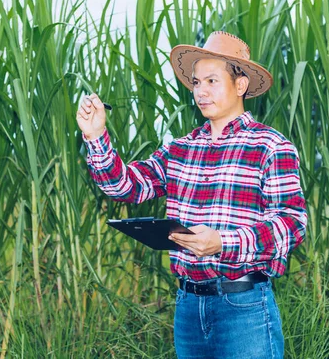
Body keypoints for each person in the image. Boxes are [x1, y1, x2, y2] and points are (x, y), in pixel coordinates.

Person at [76, 31, 307, 359]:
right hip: (188, 308)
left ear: (240, 86)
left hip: (244, 308)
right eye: (197, 83)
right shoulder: (180, 148)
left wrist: (223, 243)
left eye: (212, 81)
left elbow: (291, 223)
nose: (201, 91)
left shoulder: (270, 146)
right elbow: (125, 186)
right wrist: (96, 134)